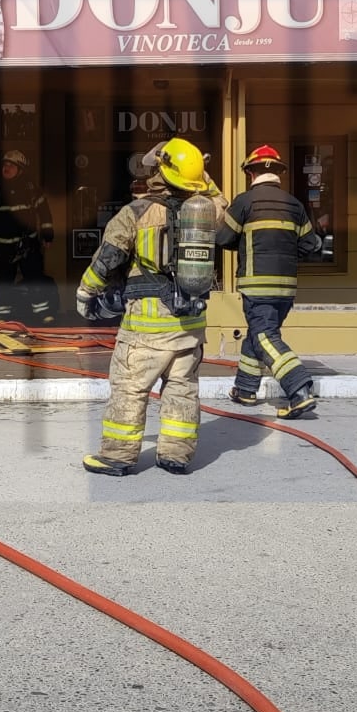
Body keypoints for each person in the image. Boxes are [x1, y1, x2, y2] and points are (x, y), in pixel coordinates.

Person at [78, 138, 227, 477]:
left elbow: (107, 259)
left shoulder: (135, 212)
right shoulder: (209, 211)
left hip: (146, 326)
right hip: (190, 323)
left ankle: (117, 455)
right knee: (182, 387)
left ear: (159, 171)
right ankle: (176, 454)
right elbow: (221, 198)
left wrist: (86, 293)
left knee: (130, 388)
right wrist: (201, 173)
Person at [215, 144, 321, 420]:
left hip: (256, 284)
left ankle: (299, 389)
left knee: (265, 337)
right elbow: (311, 244)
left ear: (251, 173)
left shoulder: (244, 202)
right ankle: (245, 389)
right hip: (286, 287)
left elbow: (223, 239)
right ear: (279, 174)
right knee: (258, 333)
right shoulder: (295, 205)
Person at [0, 150, 57, 324]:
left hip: (27, 244)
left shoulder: (31, 188)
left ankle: (43, 315)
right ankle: (2, 318)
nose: (6, 167)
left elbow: (44, 212)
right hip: (1, 246)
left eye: (11, 165)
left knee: (35, 279)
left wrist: (48, 236)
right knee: (2, 283)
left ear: (21, 170)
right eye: (5, 164)